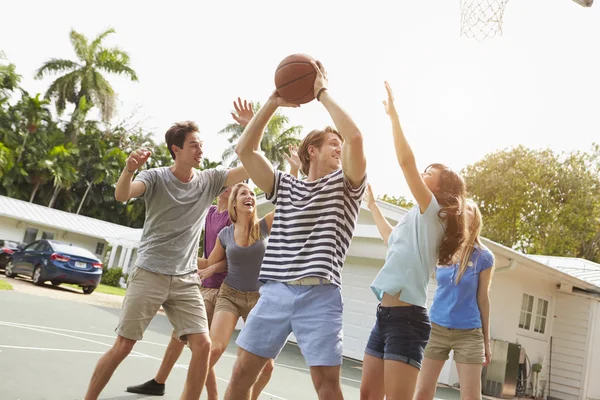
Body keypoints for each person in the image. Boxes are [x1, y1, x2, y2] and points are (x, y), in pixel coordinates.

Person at [224, 60, 367, 400]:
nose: (340, 147)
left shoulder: (347, 185)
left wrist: (321, 93)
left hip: (321, 294)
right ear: (311, 151)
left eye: (340, 144)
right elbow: (245, 150)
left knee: (327, 386)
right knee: (242, 374)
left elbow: (357, 137)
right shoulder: (284, 186)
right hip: (275, 291)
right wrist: (273, 101)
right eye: (333, 142)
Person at [84, 119, 248, 400]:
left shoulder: (209, 180)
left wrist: (250, 128)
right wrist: (129, 169)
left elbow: (252, 167)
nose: (200, 150)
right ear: (176, 149)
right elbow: (122, 194)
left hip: (185, 279)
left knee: (203, 345)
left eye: (201, 144)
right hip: (150, 273)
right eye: (193, 145)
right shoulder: (156, 177)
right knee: (124, 346)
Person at [125, 99, 254, 399]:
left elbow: (218, 259)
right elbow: (197, 250)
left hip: (220, 290)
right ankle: (159, 381)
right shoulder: (207, 211)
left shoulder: (229, 217)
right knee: (184, 339)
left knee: (204, 347)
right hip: (194, 282)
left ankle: (206, 395)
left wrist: (206, 266)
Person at [359, 81, 467, 400]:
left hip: (407, 321)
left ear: (440, 187)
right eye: (424, 170)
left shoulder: (433, 212)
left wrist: (393, 116)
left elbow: (405, 163)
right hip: (385, 314)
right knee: (367, 394)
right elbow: (391, 239)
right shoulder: (416, 217)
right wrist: (374, 206)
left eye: (429, 173)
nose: (422, 173)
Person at [414, 200, 495, 400]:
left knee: (471, 397)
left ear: (476, 218)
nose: (463, 210)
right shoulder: (443, 248)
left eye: (469, 208)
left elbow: (483, 300)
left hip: (469, 334)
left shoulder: (484, 257)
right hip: (436, 329)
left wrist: (486, 342)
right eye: (461, 208)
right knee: (422, 392)